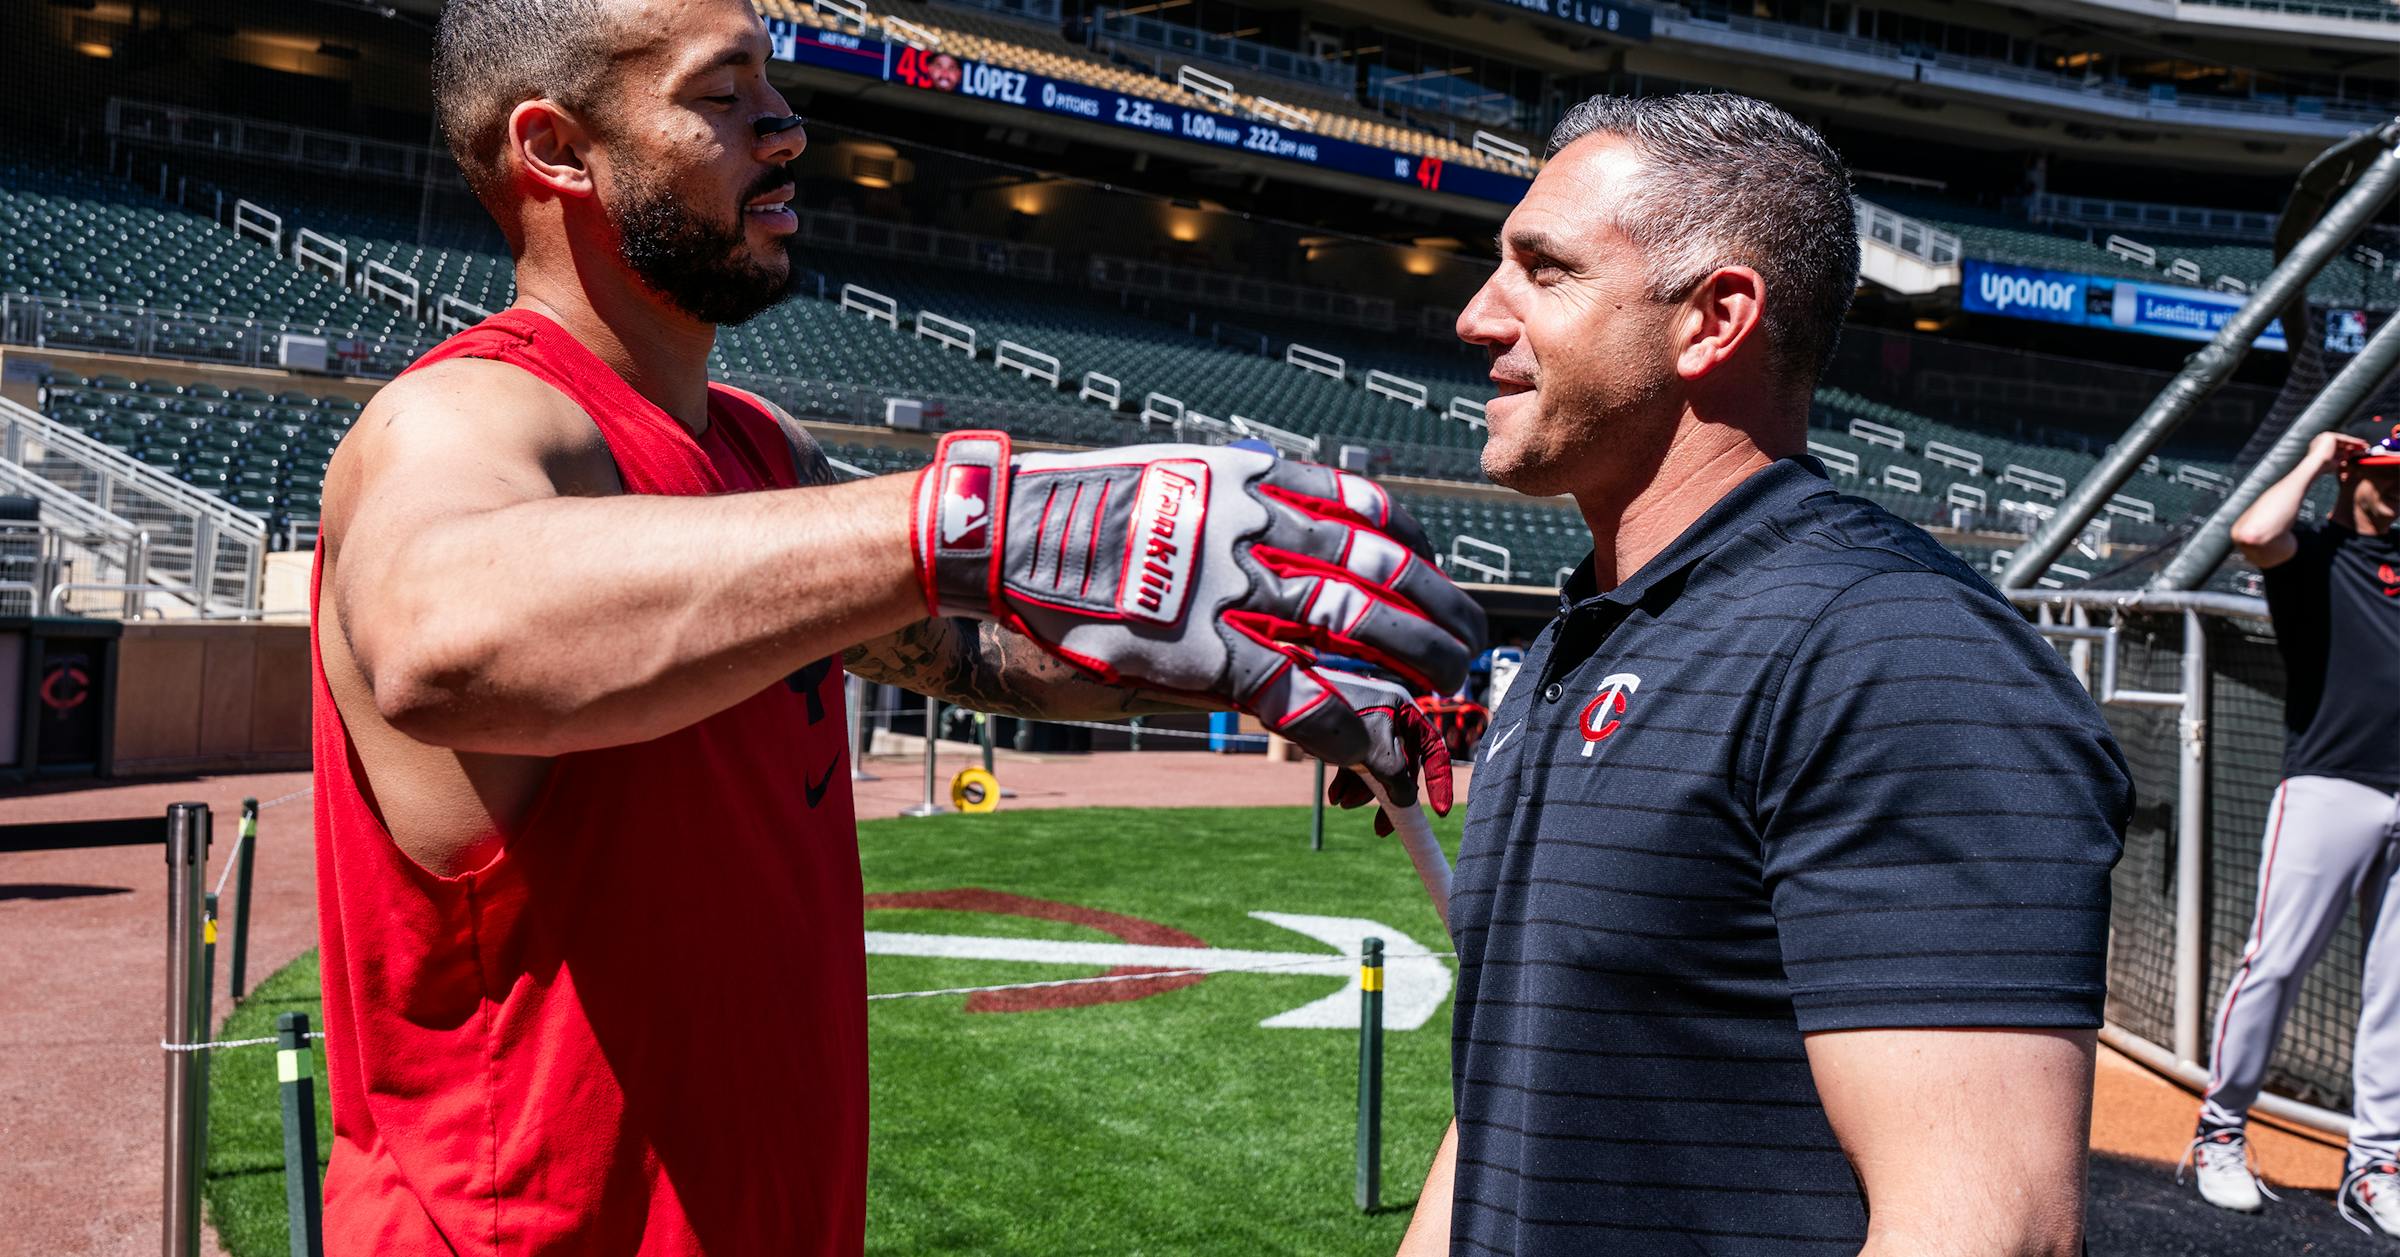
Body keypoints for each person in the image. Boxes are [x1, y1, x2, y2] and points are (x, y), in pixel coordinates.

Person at [310, 0, 1480, 1251]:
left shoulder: (760, 446)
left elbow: (970, 650)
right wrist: (971, 521)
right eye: (723, 94)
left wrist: (1249, 664)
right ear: (557, 150)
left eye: (773, 85)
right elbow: (441, 635)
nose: (785, 128)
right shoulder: (461, 416)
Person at [1396, 93, 2132, 1257]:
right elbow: (1515, 1093)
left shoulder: (1898, 656)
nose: (1478, 316)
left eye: (1544, 270)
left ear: (1715, 320)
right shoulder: (1581, 638)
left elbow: (1990, 1226)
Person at [2187, 416, 2400, 1233]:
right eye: (2388, 472)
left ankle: (2376, 1161)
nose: (2399, 489)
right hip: (2328, 785)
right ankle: (2220, 1131)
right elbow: (2251, 533)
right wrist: (2315, 457)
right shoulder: (2313, 551)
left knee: (2394, 989)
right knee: (2273, 966)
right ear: (2354, 472)